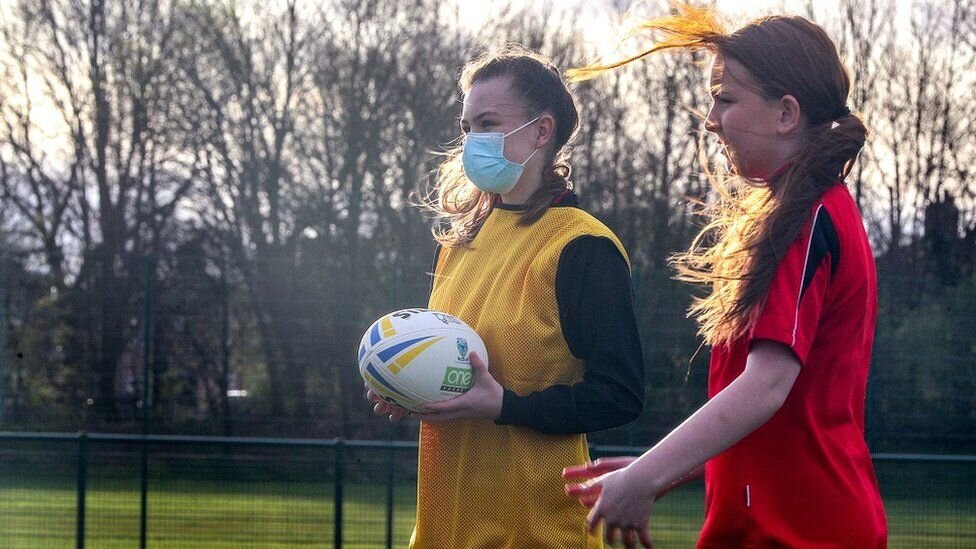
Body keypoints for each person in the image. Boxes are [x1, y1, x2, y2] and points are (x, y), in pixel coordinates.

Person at [563, 5, 887, 549]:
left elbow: (766, 385)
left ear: (786, 113)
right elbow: (776, 414)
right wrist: (664, 467)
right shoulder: (807, 212)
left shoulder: (806, 220)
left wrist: (646, 477)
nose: (711, 119)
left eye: (726, 99)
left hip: (801, 535)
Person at [366, 45, 645, 548]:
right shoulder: (462, 242)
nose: (473, 139)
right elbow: (456, 369)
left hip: (537, 533)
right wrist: (407, 383)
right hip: (440, 533)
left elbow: (619, 394)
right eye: (468, 126)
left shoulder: (584, 248)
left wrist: (506, 405)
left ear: (541, 131)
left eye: (489, 123)